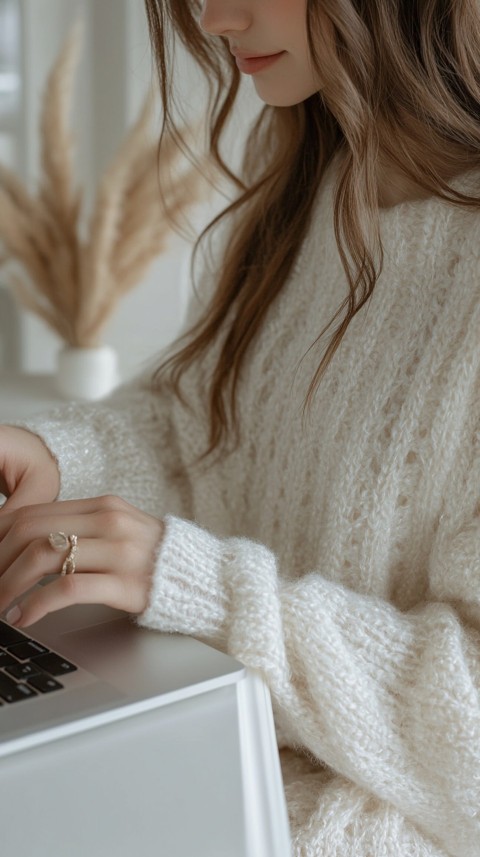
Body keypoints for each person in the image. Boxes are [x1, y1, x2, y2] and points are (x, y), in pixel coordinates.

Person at [1, 1, 480, 854]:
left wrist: (201, 588)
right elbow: (205, 433)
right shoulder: (312, 171)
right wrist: (48, 458)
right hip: (212, 761)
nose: (217, 19)